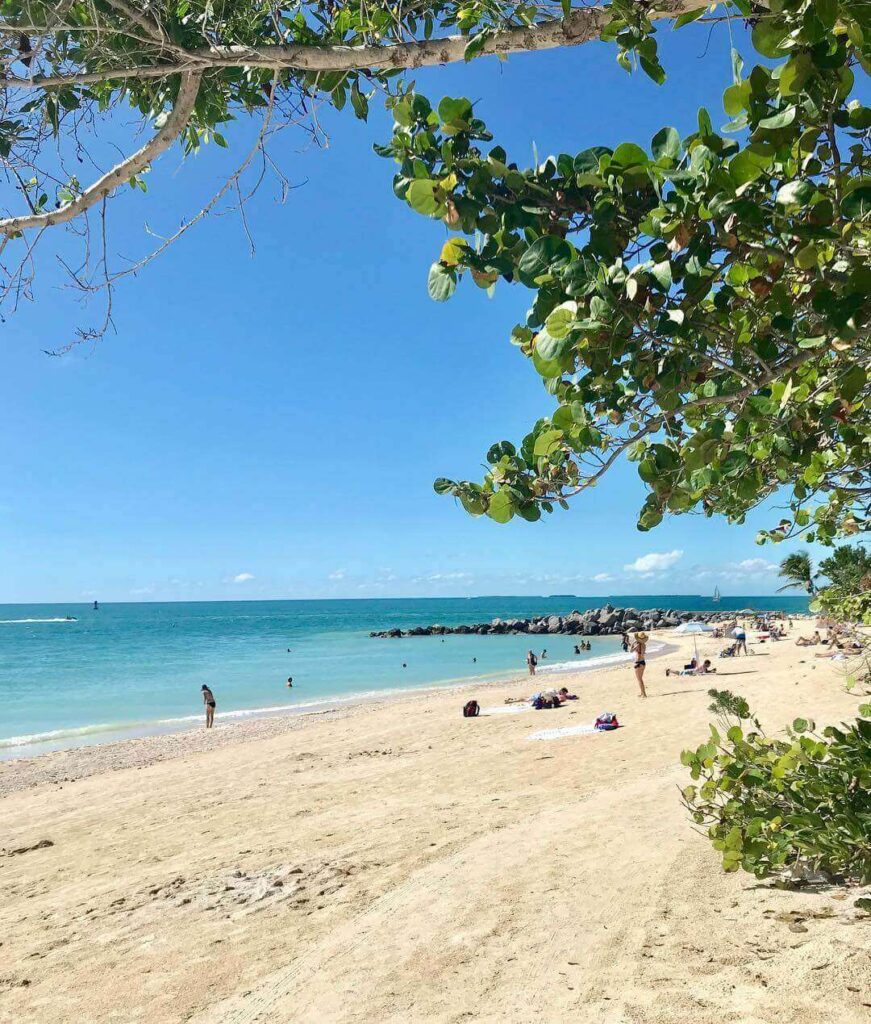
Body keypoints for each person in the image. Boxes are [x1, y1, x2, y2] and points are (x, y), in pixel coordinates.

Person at [631, 632, 648, 698]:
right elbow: (643, 653)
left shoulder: (637, 645)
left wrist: (633, 644)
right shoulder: (644, 645)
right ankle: (642, 693)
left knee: (639, 679)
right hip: (643, 662)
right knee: (640, 679)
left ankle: (644, 694)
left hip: (638, 663)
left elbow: (631, 650)